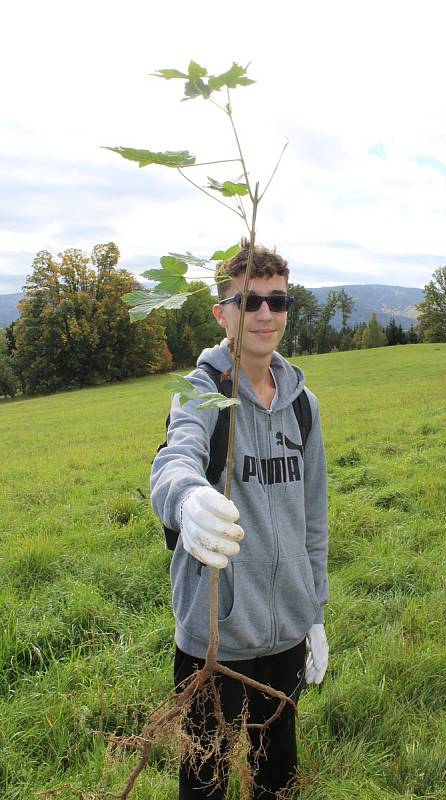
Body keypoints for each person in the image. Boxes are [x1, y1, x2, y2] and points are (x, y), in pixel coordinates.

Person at [150, 241, 329, 799]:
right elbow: (174, 458)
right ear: (221, 312)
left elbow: (313, 518)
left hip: (286, 640)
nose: (265, 315)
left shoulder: (304, 405)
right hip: (215, 642)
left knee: (278, 780)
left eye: (279, 301)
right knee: (203, 782)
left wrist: (314, 611)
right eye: (249, 301)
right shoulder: (201, 393)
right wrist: (185, 500)